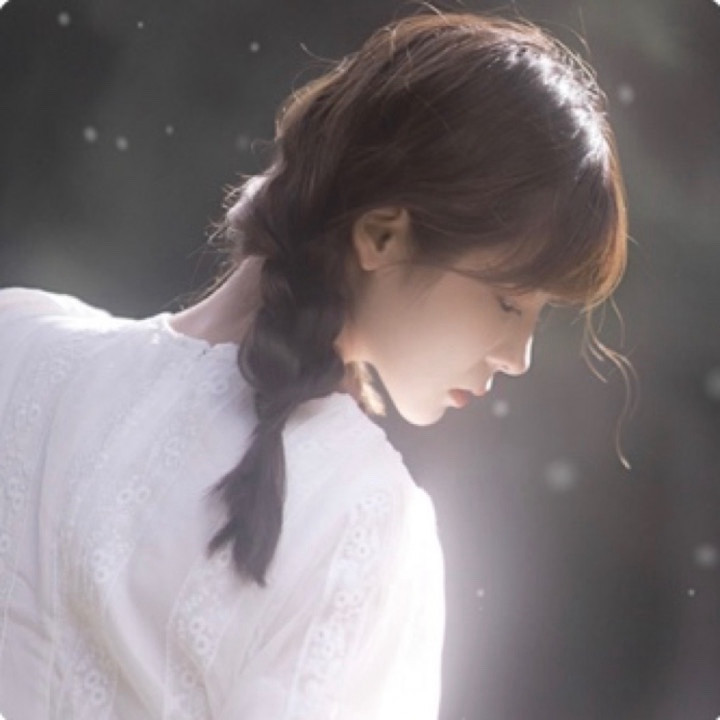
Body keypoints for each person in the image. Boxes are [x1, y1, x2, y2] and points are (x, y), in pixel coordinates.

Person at [0, 6, 628, 720]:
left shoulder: (21, 348)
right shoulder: (358, 517)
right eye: (509, 303)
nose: (518, 357)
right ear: (383, 236)